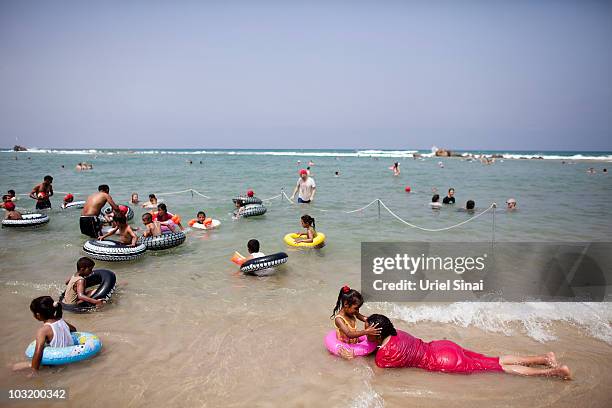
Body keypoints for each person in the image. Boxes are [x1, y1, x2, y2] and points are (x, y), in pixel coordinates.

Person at [366, 314, 571, 379]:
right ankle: (543, 358)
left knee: (497, 368)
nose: (364, 333)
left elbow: (377, 374)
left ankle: (554, 372)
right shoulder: (397, 332)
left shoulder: (384, 357)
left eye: (367, 330)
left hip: (444, 361)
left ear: (376, 334)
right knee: (492, 360)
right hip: (443, 347)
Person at [12, 296, 76, 374]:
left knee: (14, 367)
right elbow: (74, 330)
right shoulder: (62, 321)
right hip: (69, 359)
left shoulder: (43, 331)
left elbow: (38, 352)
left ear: (38, 315)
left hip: (53, 364)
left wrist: (34, 371)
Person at [331, 286, 380, 357]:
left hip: (354, 343)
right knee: (352, 359)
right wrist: (366, 331)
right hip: (345, 346)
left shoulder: (353, 312)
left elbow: (363, 318)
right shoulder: (339, 319)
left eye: (358, 308)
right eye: (356, 308)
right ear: (346, 304)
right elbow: (349, 334)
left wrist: (375, 320)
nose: (357, 311)